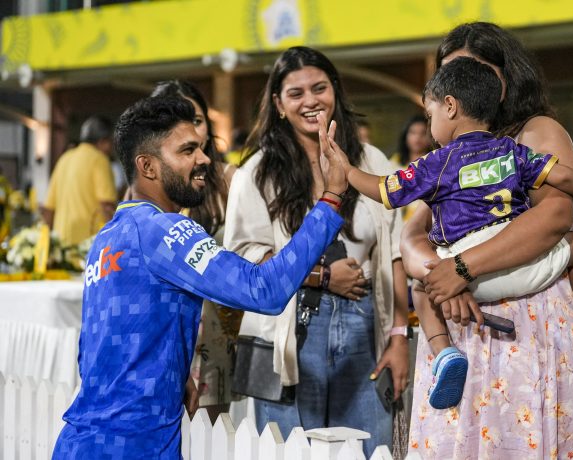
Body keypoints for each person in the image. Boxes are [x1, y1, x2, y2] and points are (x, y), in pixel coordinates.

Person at [52, 95, 348, 458]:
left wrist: (174, 375)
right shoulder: (166, 231)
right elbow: (264, 289)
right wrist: (330, 200)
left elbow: (95, 348)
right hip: (134, 447)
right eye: (187, 150)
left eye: (201, 148)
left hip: (83, 441)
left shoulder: (108, 236)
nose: (205, 159)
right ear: (148, 166)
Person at [320, 56, 573, 410]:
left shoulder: (437, 163)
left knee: (421, 287)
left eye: (430, 115)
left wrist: (347, 170)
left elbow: (384, 190)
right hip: (521, 264)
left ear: (450, 107)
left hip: (466, 277)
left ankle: (445, 352)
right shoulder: (512, 151)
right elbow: (563, 176)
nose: (430, 126)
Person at [400, 23, 573, 458]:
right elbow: (412, 235)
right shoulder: (452, 156)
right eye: (450, 74)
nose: (463, 83)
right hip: (459, 322)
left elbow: (554, 216)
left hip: (525, 325)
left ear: (506, 76)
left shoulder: (535, 132)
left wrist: (461, 268)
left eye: (475, 69)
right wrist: (441, 277)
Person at [224, 46, 409, 456]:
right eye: (296, 93)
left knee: (368, 449)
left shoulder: (372, 161)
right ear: (278, 104)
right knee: (290, 450)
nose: (310, 100)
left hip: (365, 329)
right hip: (287, 334)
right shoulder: (256, 173)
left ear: (335, 91)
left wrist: (399, 339)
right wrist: (324, 278)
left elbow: (394, 254)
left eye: (319, 88)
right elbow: (244, 262)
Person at [151, 80, 239, 420]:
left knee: (210, 431)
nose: (189, 130)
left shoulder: (232, 180)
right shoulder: (146, 189)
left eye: (197, 120)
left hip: (216, 328)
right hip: (163, 327)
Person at [43, 116, 117, 246]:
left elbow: (49, 209)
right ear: (103, 141)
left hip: (62, 244)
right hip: (89, 244)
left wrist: (46, 244)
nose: (111, 148)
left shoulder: (64, 159)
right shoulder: (99, 160)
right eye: (110, 142)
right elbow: (107, 206)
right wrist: (115, 241)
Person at [391, 114, 431, 222]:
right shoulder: (395, 161)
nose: (417, 138)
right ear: (405, 135)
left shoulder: (434, 163)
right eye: (413, 133)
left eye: (423, 133)